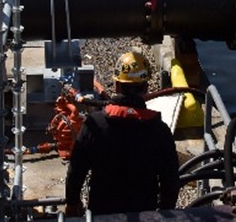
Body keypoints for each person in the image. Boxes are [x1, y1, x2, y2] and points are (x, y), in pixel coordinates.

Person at [64, 51, 180, 216]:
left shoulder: (94, 125)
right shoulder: (159, 131)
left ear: (117, 86)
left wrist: (72, 203)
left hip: (102, 214)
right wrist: (163, 213)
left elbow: (76, 170)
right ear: (146, 87)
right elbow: (170, 181)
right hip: (144, 213)